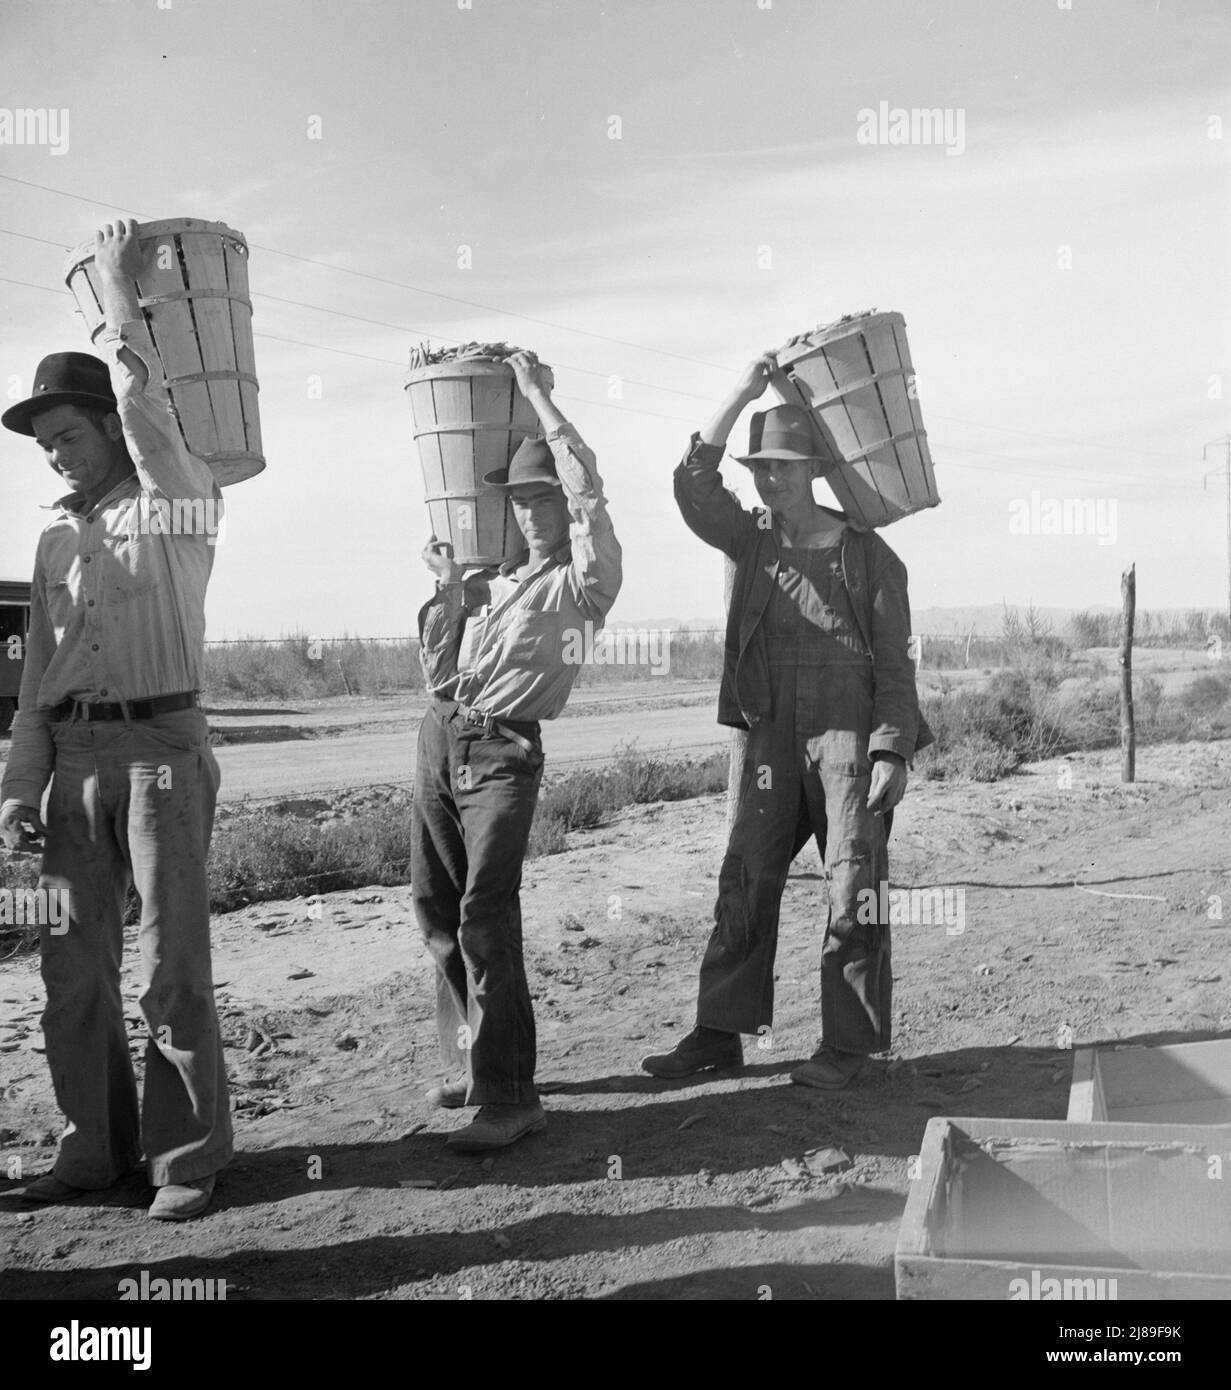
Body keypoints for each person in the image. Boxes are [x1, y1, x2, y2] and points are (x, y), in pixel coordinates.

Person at [0, 219, 230, 1219]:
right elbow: (38, 684)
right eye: (44, 444)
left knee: (168, 972)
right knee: (68, 971)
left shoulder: (179, 505)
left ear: (106, 426)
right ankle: (91, 1152)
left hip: (160, 757)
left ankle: (184, 1163)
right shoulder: (54, 544)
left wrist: (124, 305)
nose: (55, 456)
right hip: (72, 764)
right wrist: (18, 790)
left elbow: (150, 414)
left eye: (68, 435)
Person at [642, 352, 932, 1089]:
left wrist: (890, 752)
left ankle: (847, 1046)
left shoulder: (870, 560)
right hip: (766, 733)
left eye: (783, 468)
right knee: (744, 876)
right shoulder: (752, 539)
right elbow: (691, 483)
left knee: (852, 884)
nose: (769, 481)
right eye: (760, 469)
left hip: (847, 735)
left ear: (813, 472)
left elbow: (896, 668)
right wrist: (741, 389)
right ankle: (717, 1034)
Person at [412, 349, 621, 1152]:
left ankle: (511, 1096)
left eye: (543, 498)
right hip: (440, 735)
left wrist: (534, 394)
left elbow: (590, 492)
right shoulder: (494, 580)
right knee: (437, 906)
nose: (533, 512)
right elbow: (436, 672)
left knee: (484, 918)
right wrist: (448, 592)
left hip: (502, 752)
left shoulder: (584, 583)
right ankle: (475, 1063)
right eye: (520, 499)